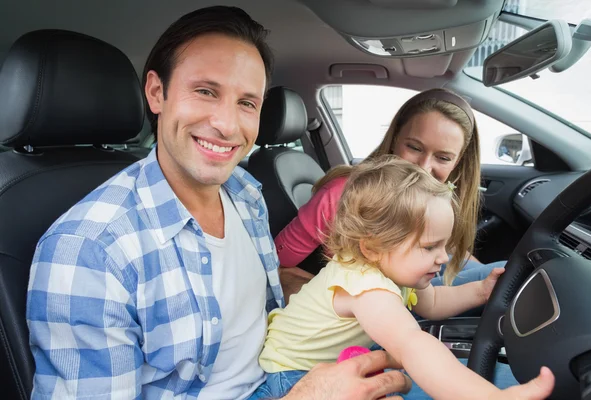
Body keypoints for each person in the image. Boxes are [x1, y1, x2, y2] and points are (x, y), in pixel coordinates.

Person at [25, 6, 411, 400]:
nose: (228, 125)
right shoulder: (89, 250)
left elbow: (242, 313)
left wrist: (315, 293)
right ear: (157, 93)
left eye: (247, 103)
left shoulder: (245, 193)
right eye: (206, 91)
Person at [253, 156, 554, 400]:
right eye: (429, 247)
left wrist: (480, 291)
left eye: (443, 245)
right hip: (293, 380)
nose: (443, 257)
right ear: (371, 247)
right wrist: (486, 396)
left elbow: (434, 302)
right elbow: (412, 345)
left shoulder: (388, 266)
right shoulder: (365, 287)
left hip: (325, 363)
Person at [277, 88, 506, 305]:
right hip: (368, 310)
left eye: (443, 158)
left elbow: (449, 253)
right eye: (415, 148)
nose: (424, 168)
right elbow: (276, 268)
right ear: (395, 138)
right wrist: (338, 306)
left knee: (505, 277)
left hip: (414, 291)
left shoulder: (434, 198)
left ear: (458, 162)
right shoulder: (343, 194)